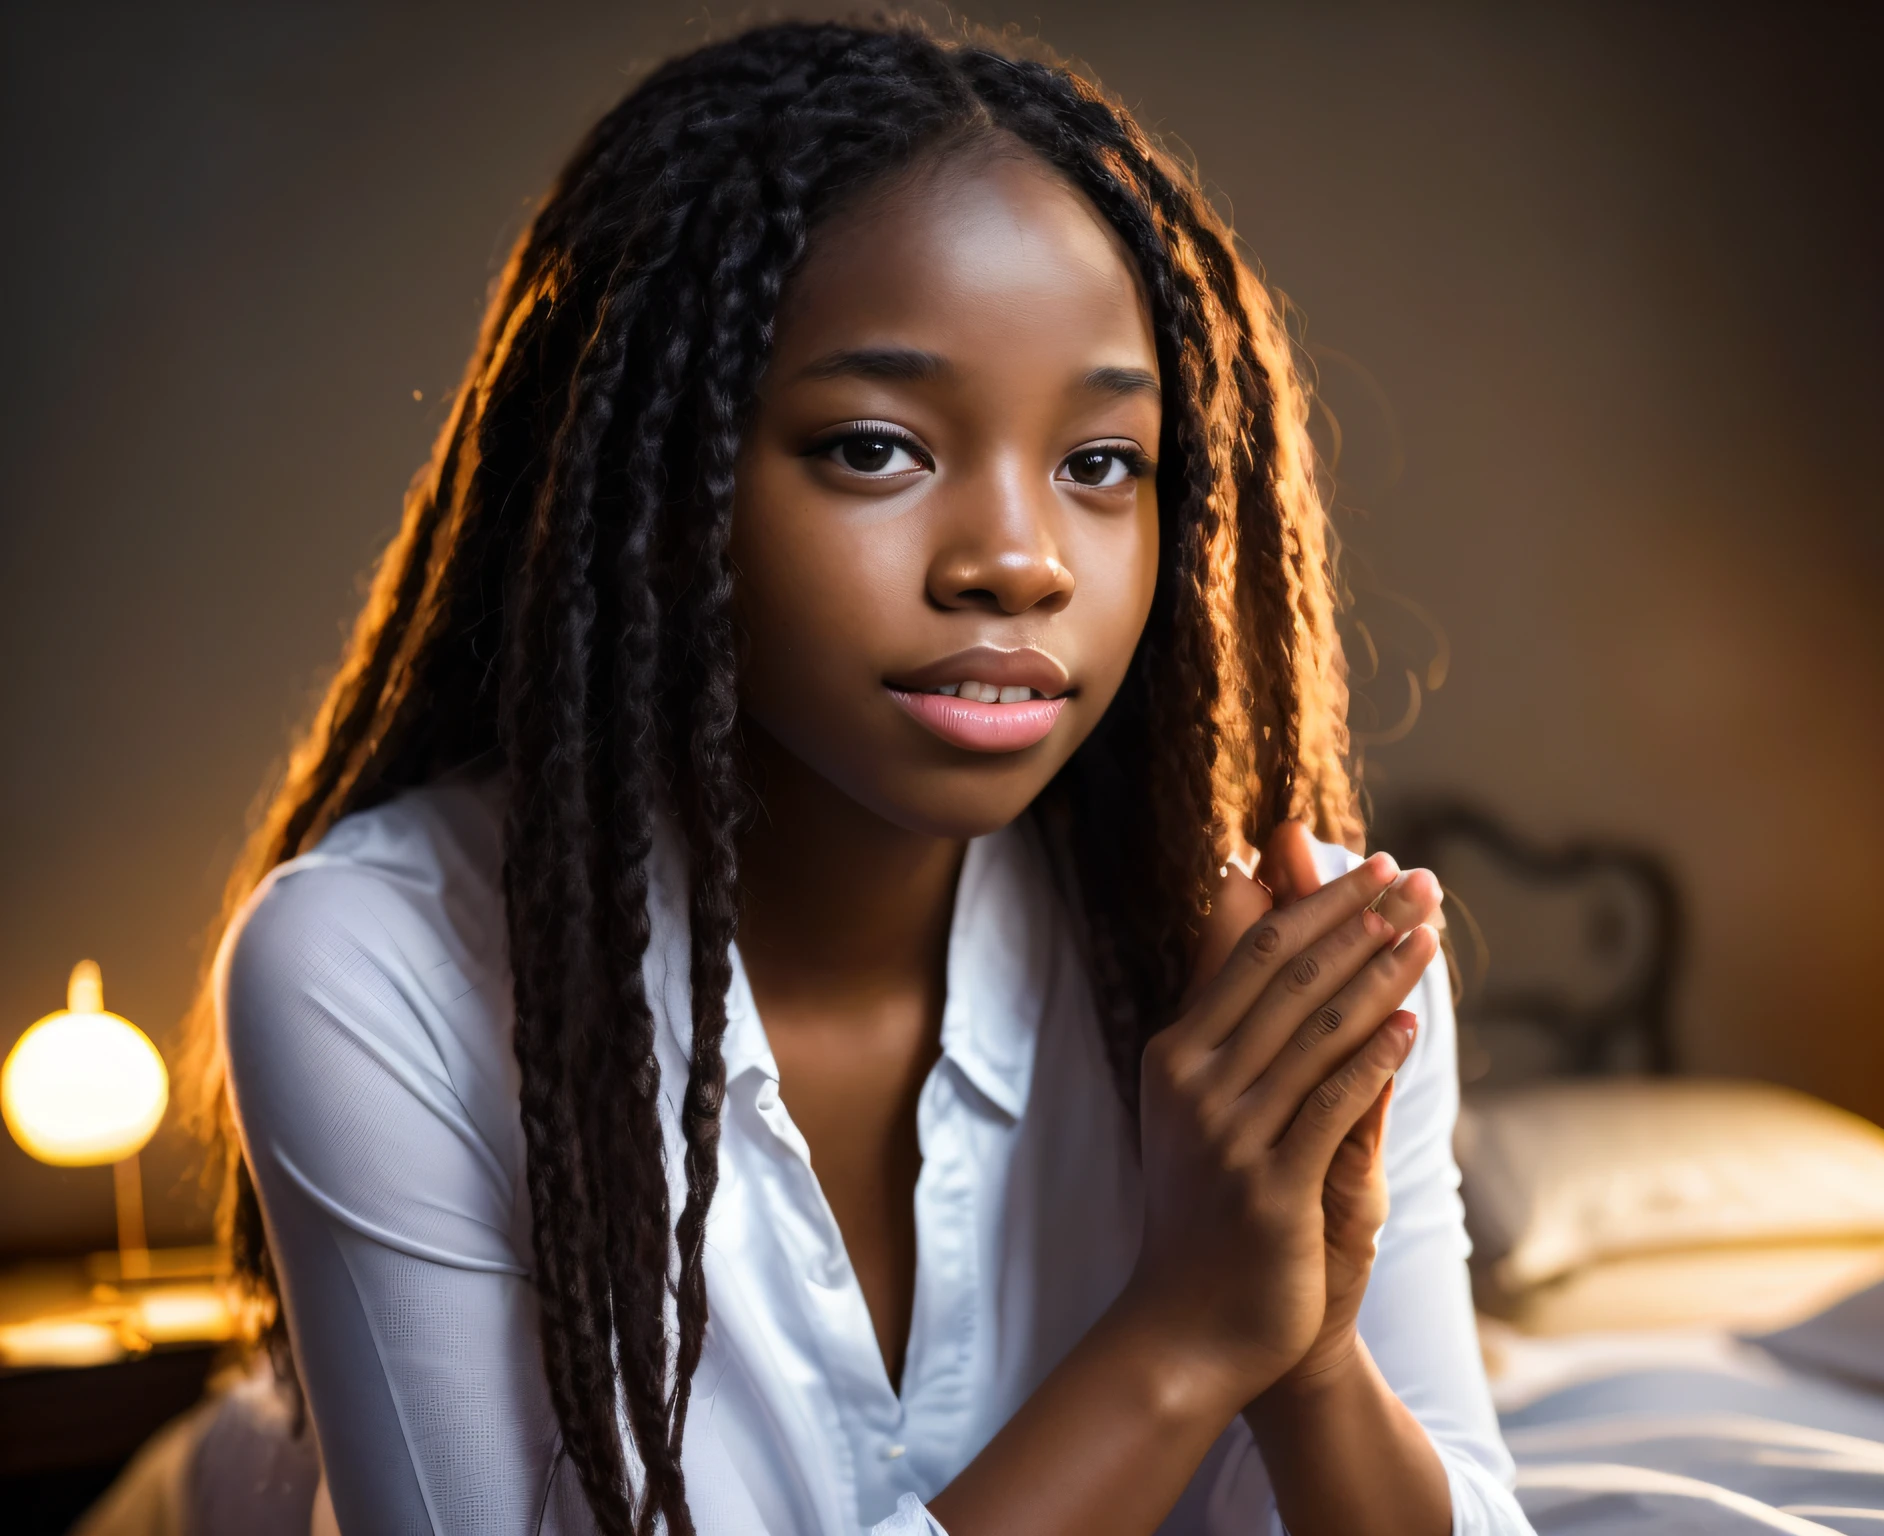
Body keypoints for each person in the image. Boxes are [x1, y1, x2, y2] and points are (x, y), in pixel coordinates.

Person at [193, 19, 1533, 1536]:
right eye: (877, 448)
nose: (1019, 562)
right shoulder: (375, 965)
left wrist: (1308, 1357)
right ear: (652, 489)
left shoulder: (1291, 989)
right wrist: (1183, 1338)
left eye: (1102, 464)